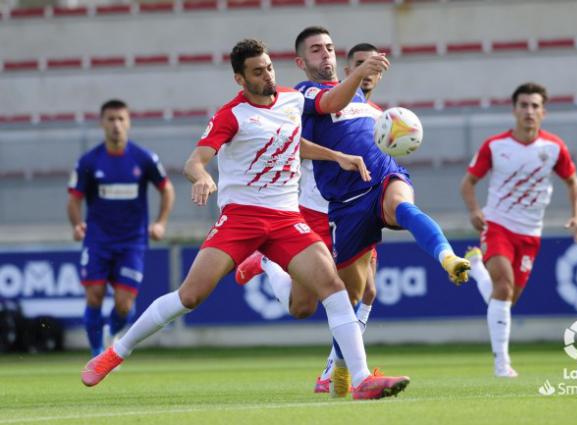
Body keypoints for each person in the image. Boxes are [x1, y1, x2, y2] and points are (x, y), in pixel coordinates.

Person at [80, 39, 410, 400]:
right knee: (190, 296)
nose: (267, 75)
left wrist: (336, 156)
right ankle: (116, 352)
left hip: (286, 218)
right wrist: (203, 177)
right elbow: (195, 161)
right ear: (240, 79)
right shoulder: (231, 115)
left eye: (269, 67)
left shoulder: (291, 99)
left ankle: (361, 379)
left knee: (333, 289)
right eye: (257, 71)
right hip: (242, 218)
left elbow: (294, 138)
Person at [292, 26, 471, 397]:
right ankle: (339, 368)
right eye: (316, 50)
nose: (324, 54)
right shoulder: (304, 93)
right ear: (302, 61)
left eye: (328, 46)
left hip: (383, 177)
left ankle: (448, 256)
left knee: (402, 204)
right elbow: (330, 105)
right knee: (350, 293)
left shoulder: (370, 106)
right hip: (345, 204)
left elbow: (374, 127)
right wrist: (360, 71)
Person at [235, 42, 385, 395]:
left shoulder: (376, 113)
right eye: (360, 65)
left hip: (356, 208)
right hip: (316, 209)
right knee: (302, 307)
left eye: (330, 49)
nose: (368, 71)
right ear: (350, 71)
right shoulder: (306, 97)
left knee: (366, 291)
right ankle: (268, 263)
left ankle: (332, 371)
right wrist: (337, 157)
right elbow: (295, 136)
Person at [460, 82, 577, 377]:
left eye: (535, 106)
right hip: (498, 225)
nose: (529, 111)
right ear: (514, 110)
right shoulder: (495, 145)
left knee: (506, 298)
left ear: (544, 111)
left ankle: (476, 268)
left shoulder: (553, 147)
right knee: (503, 287)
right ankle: (502, 363)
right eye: (524, 105)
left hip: (531, 233)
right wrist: (475, 211)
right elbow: (467, 184)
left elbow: (573, 182)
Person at [67, 99, 175, 357]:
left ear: (129, 123)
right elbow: (74, 198)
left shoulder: (144, 158)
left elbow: (167, 190)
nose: (116, 125)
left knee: (124, 307)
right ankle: (97, 353)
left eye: (121, 119)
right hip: (97, 240)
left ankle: (110, 334)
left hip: (132, 241)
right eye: (111, 119)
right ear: (102, 123)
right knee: (94, 296)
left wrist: (160, 223)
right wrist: (76, 224)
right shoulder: (89, 162)